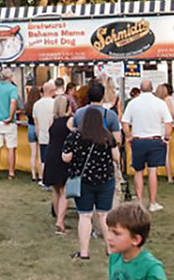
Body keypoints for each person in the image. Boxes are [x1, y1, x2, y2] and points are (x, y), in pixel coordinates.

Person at [63, 98, 119, 260]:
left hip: (83, 181)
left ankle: (84, 251)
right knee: (103, 215)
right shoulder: (107, 136)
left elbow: (66, 157)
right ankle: (110, 249)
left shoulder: (75, 136)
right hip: (105, 179)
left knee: (85, 215)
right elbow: (116, 157)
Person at [122, 80, 173, 212]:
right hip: (155, 140)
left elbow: (125, 122)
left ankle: (139, 201)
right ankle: (152, 202)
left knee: (138, 172)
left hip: (138, 140)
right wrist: (166, 137)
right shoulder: (159, 103)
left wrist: (128, 136)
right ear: (152, 88)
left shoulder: (133, 103)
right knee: (152, 171)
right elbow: (168, 122)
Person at [43, 96, 73, 234]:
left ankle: (58, 217)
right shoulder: (70, 121)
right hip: (62, 155)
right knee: (65, 191)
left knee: (55, 189)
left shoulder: (52, 121)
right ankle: (60, 221)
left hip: (51, 154)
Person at [32, 81, 57, 188]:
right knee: (53, 159)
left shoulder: (36, 104)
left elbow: (35, 122)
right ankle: (51, 179)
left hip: (42, 134)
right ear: (52, 91)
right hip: (53, 136)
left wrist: (38, 134)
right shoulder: (54, 103)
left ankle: (42, 179)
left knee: (43, 159)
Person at [24, 81, 43, 183]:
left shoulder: (28, 105)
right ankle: (40, 175)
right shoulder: (39, 105)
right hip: (38, 127)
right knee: (40, 154)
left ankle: (33, 175)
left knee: (33, 153)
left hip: (30, 127)